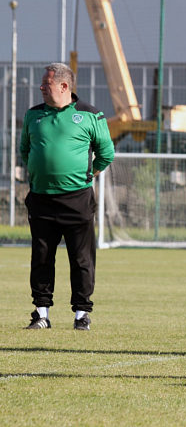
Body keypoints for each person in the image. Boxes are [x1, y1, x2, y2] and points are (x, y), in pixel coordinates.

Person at [20, 63, 115, 331]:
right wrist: (42, 172)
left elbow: (106, 153)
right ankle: (41, 314)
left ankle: (81, 315)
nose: (41, 87)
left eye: (46, 83)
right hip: (40, 198)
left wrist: (87, 174)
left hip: (77, 200)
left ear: (64, 86)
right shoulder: (33, 115)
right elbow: (25, 150)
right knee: (41, 257)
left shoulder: (91, 115)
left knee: (81, 259)